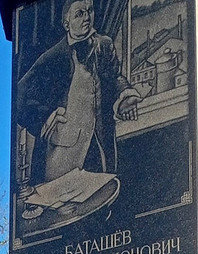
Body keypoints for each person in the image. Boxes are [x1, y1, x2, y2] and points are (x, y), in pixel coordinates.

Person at [17, 0, 142, 186]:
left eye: (89, 11)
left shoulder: (104, 45)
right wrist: (45, 118)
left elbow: (114, 76)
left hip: (99, 141)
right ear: (67, 24)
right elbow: (19, 95)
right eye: (80, 14)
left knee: (102, 196)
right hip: (62, 151)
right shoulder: (53, 56)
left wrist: (125, 95)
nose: (87, 17)